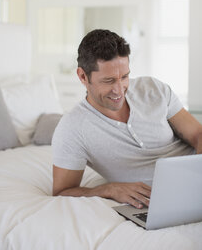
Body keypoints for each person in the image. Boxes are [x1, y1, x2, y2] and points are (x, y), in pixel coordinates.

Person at [52, 29, 202, 209]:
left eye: (124, 77)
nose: (119, 89)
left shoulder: (153, 89)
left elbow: (198, 134)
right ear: (83, 76)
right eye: (108, 81)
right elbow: (62, 191)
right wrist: (109, 189)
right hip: (162, 203)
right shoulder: (73, 128)